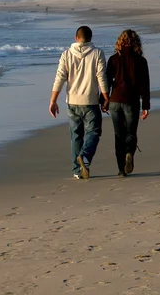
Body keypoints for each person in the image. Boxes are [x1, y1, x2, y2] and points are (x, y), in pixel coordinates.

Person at [49, 26, 110, 180]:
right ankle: (84, 157)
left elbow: (60, 77)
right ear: (91, 38)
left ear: (76, 37)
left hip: (72, 101)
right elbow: (101, 76)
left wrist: (53, 100)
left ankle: (77, 170)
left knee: (76, 136)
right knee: (94, 132)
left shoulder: (66, 54)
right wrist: (106, 96)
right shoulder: (97, 53)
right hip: (90, 101)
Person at [105, 29, 150, 177]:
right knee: (131, 133)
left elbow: (106, 83)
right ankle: (129, 152)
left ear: (120, 42)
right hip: (132, 101)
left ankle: (121, 170)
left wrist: (103, 100)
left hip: (115, 100)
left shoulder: (113, 59)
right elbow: (145, 85)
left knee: (118, 135)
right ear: (137, 43)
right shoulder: (141, 61)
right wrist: (146, 106)